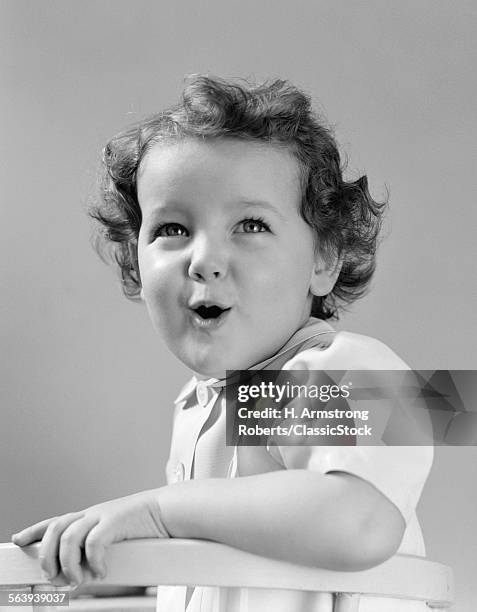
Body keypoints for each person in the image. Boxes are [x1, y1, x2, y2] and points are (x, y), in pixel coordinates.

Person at [12, 75, 433, 611]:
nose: (203, 258)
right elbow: (233, 565)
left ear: (324, 259)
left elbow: (361, 522)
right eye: (172, 229)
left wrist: (160, 512)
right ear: (135, 261)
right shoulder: (200, 404)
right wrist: (129, 570)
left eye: (251, 224)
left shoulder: (353, 369)